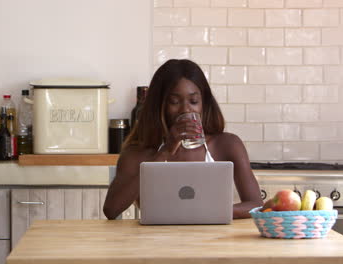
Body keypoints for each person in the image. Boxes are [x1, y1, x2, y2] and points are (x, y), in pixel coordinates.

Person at [103, 59, 263, 220]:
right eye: (174, 102)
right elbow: (111, 210)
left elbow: (256, 205)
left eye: (194, 101)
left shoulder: (227, 145)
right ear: (160, 106)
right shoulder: (138, 153)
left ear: (204, 104)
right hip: (154, 243)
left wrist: (207, 211)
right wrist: (164, 153)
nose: (185, 109)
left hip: (214, 243)